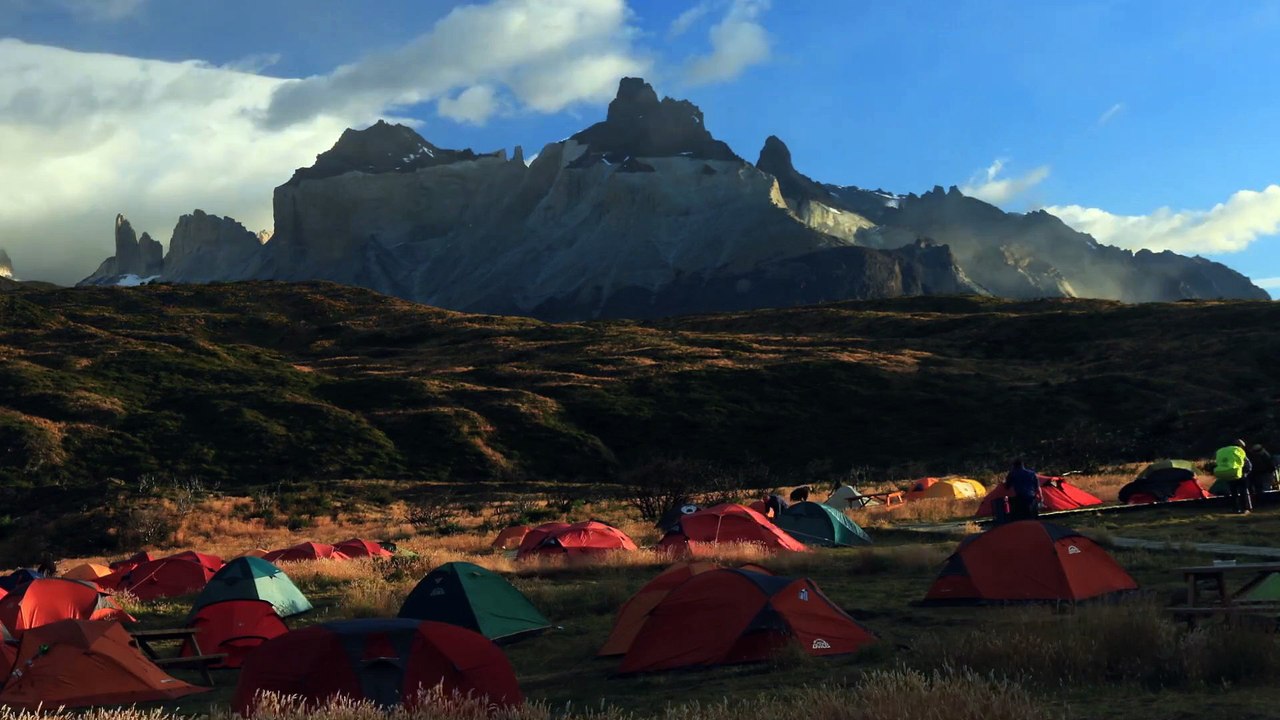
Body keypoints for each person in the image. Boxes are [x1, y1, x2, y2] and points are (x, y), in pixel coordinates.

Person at [1215, 440, 1253, 514]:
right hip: (1240, 475)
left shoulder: (1226, 452)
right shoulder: (1239, 451)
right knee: (1243, 492)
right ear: (1241, 446)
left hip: (1230, 475)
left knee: (1233, 493)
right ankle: (1245, 508)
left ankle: (1235, 508)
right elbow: (1248, 465)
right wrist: (1245, 473)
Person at [1247, 443, 1277, 507]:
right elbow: (1270, 464)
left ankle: (1259, 502)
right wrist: (1272, 472)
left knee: (1258, 489)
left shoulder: (1251, 456)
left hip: (1255, 474)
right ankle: (1266, 502)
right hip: (1264, 474)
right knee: (1265, 489)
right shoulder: (1265, 454)